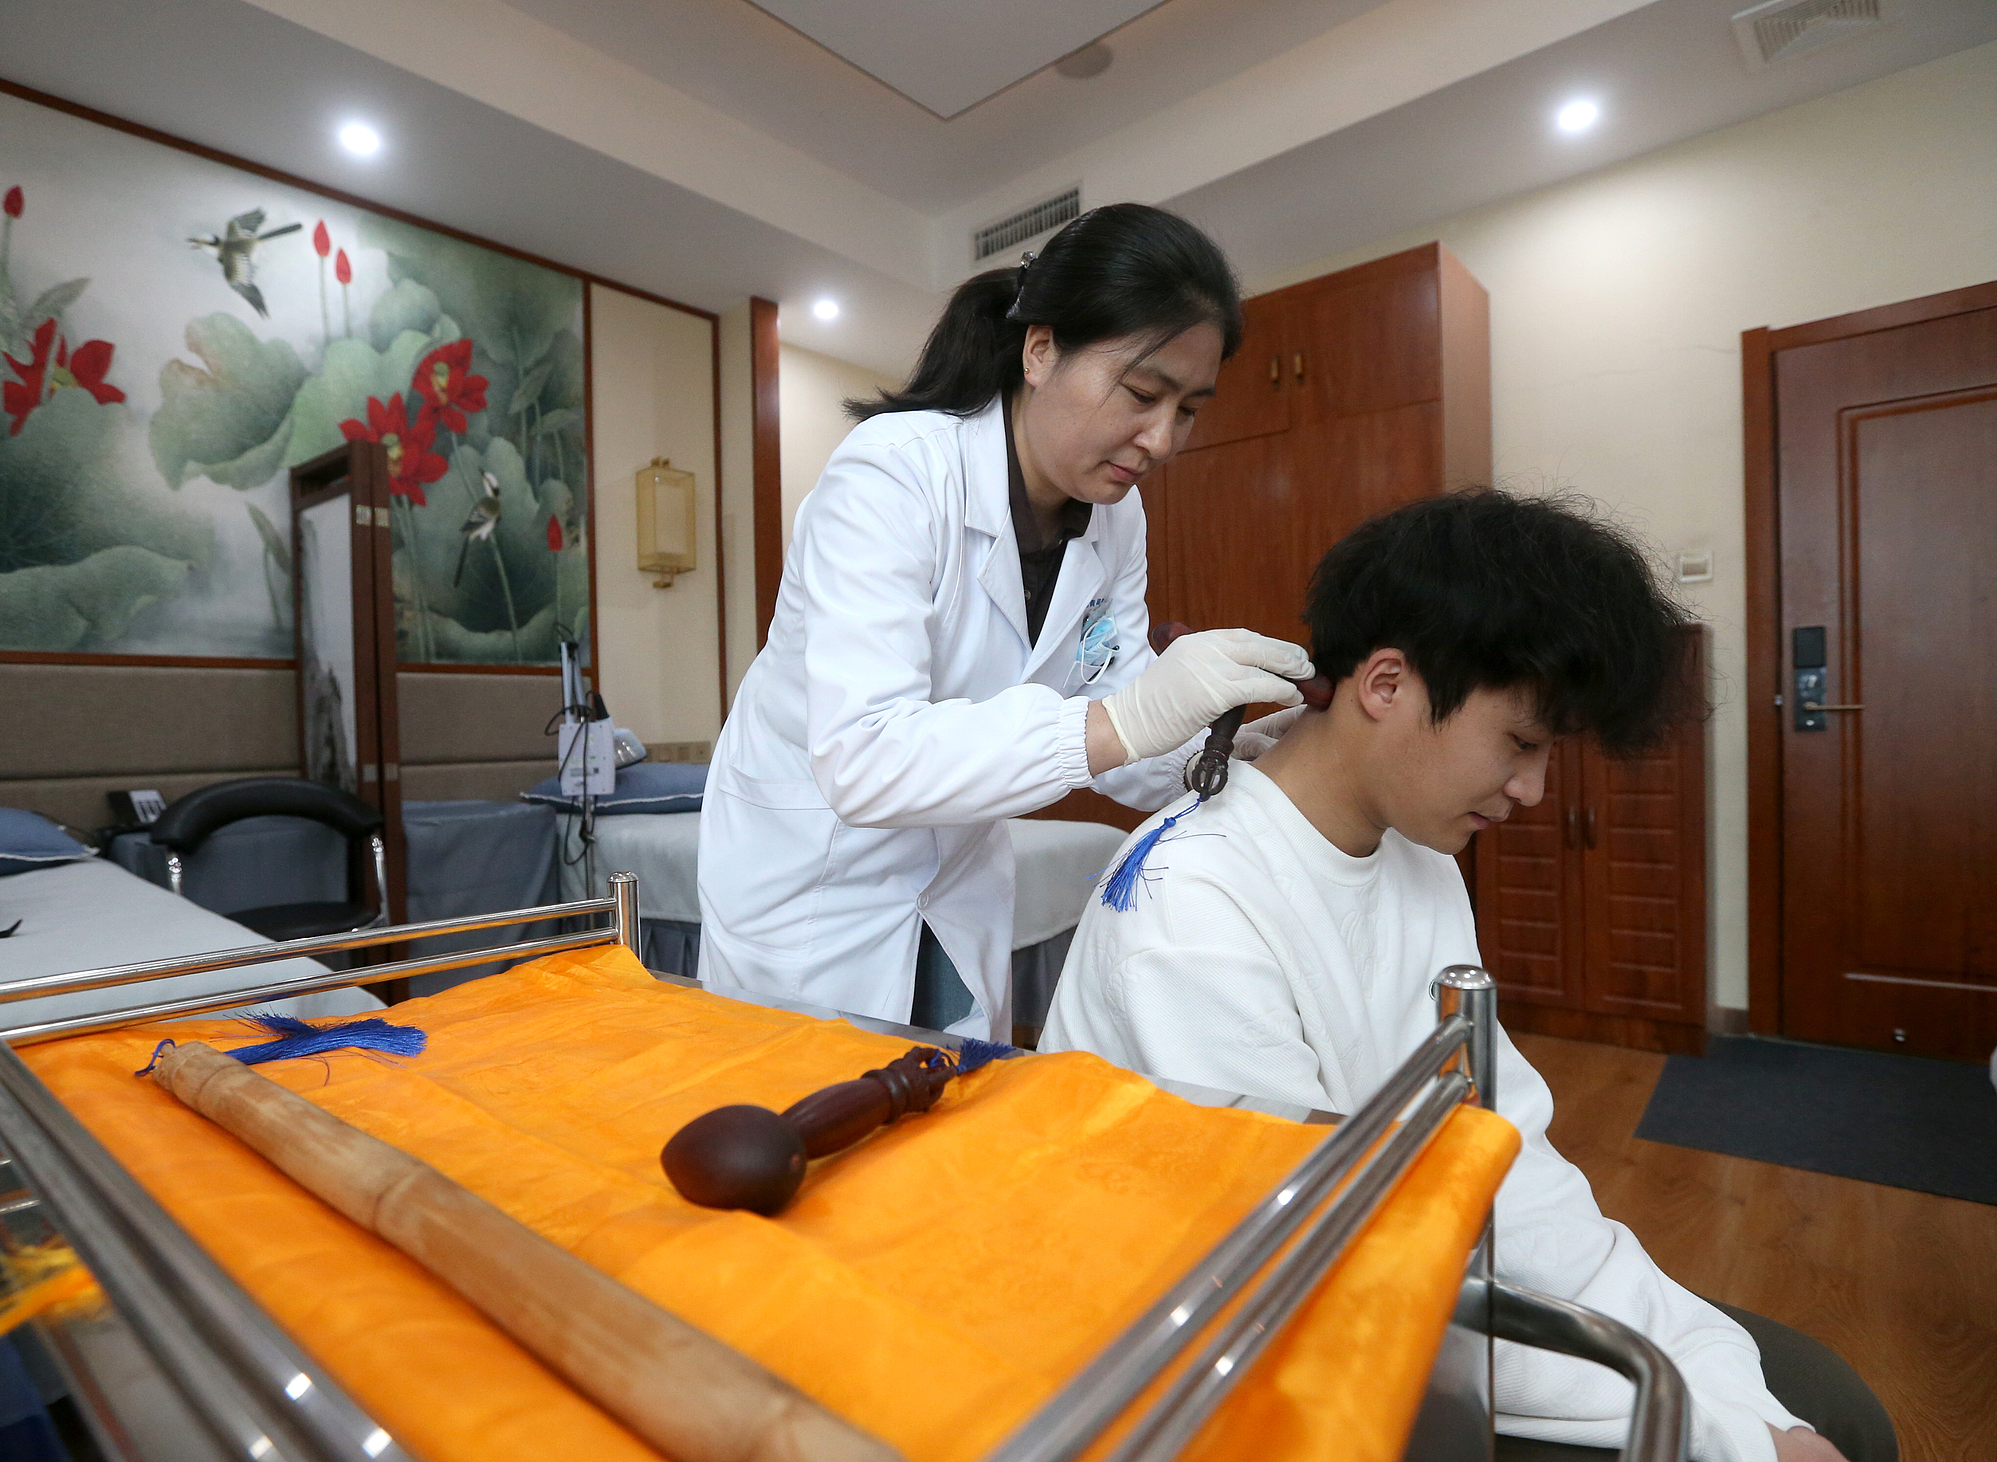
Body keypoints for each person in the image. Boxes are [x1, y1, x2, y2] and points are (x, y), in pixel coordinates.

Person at [1040, 491, 1895, 1462]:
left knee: (1823, 1406)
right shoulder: (1193, 907)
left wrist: (1712, 1371)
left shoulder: (1417, 858)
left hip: (1387, 1282)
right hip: (1223, 1371)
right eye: (1520, 744)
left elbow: (1495, 1149)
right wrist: (1714, 1427)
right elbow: (1313, 1281)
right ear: (1386, 683)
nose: (1532, 789)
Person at [697, 204, 1315, 1041]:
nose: (1163, 440)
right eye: (1143, 393)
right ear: (1041, 350)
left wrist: (1219, 751)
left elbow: (1113, 709)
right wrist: (1123, 719)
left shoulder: (1115, 518)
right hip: (813, 881)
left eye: (1189, 410)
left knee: (948, 1105)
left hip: (953, 884)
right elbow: (864, 759)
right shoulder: (894, 472)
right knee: (803, 1109)